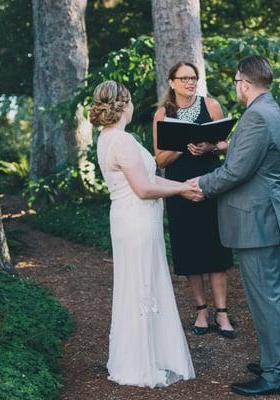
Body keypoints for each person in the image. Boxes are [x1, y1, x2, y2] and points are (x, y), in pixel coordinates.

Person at [189, 56, 280, 396]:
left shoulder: (255, 117)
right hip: (274, 217)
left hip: (259, 222)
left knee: (268, 300)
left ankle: (276, 375)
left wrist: (201, 185)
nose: (236, 86)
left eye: (237, 80)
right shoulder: (273, 110)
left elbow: (236, 171)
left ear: (245, 83)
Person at [90, 80, 199, 388]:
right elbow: (143, 188)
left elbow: (145, 182)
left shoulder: (106, 138)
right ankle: (141, 363)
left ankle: (148, 354)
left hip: (129, 219)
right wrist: (182, 189)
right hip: (137, 220)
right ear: (124, 105)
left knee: (141, 284)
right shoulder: (122, 141)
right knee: (142, 286)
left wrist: (182, 187)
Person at [152, 62, 235, 338]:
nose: (190, 82)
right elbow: (159, 158)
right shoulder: (163, 114)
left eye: (194, 77)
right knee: (189, 249)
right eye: (184, 78)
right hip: (179, 187)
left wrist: (210, 146)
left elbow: (226, 145)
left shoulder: (210, 106)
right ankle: (201, 310)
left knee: (215, 248)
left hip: (210, 185)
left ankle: (222, 313)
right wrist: (181, 147)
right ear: (172, 82)